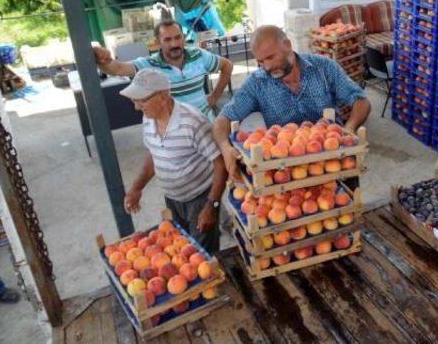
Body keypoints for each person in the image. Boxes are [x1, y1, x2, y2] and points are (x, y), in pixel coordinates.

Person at [213, 25, 371, 179]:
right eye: (260, 62)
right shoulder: (257, 83)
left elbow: (361, 100)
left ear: (287, 45)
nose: (267, 66)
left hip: (333, 156)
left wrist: (349, 128)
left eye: (270, 57)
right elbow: (223, 118)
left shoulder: (323, 67)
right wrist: (225, 148)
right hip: (287, 170)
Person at [119, 69, 227, 253]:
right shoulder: (148, 119)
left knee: (202, 255)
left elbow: (220, 163)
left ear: (163, 97)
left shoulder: (191, 122)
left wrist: (212, 205)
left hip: (200, 199)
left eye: (142, 100)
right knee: (182, 250)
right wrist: (137, 187)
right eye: (134, 100)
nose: (137, 106)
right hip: (173, 199)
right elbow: (154, 154)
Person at [93, 19, 233, 122]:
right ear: (158, 42)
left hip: (206, 124)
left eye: (178, 37)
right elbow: (117, 69)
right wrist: (101, 58)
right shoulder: (149, 64)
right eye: (167, 40)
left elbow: (227, 65)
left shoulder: (199, 55)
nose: (174, 44)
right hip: (175, 131)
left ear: (183, 38)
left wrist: (214, 97)